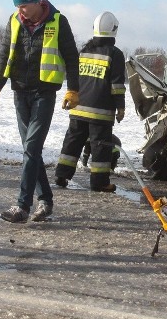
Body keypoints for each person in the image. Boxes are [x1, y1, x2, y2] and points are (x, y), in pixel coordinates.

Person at [0, 0, 80, 224]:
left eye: (24, 6)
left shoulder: (58, 21)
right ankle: (46, 201)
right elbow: (3, 54)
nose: (21, 11)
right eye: (18, 7)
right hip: (19, 91)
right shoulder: (14, 21)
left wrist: (73, 89)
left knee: (31, 148)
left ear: (36, 3)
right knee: (32, 150)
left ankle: (22, 206)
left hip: (44, 93)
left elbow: (72, 58)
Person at [54, 11, 126, 193]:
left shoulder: (85, 50)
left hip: (78, 108)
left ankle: (62, 174)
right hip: (100, 112)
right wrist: (121, 107)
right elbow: (116, 85)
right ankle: (100, 182)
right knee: (100, 147)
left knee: (73, 141)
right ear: (114, 30)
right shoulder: (115, 55)